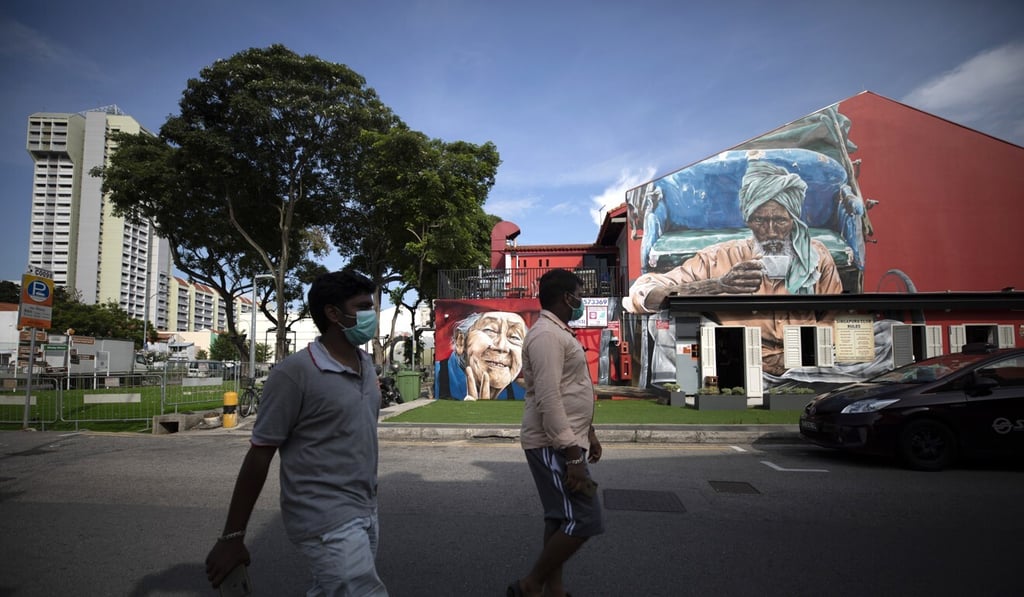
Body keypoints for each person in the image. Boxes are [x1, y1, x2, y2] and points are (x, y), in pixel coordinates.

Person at [205, 270, 388, 596]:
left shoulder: (365, 363)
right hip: (324, 517)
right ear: (333, 313)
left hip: (365, 509)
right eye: (362, 307)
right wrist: (232, 537)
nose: (371, 316)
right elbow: (260, 453)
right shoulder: (294, 374)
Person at [627, 160, 843, 374]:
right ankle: (689, 390)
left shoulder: (817, 256)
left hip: (805, 363)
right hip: (737, 364)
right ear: (748, 220)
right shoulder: (718, 257)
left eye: (780, 221)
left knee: (874, 333)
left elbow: (835, 318)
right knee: (669, 322)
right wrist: (718, 286)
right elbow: (642, 293)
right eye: (759, 220)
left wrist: (801, 355)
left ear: (793, 220)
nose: (771, 231)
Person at [509, 269, 603, 597]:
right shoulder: (547, 335)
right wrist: (572, 452)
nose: (582, 300)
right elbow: (549, 396)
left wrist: (588, 434)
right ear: (567, 297)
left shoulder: (558, 331)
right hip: (554, 444)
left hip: (566, 441)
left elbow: (570, 388)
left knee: (559, 518)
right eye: (580, 293)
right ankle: (530, 584)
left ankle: (554, 590)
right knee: (586, 518)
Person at [435, 311, 528, 400]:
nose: (502, 346)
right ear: (461, 341)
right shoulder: (438, 378)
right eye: (490, 330)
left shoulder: (523, 394)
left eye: (514, 337)